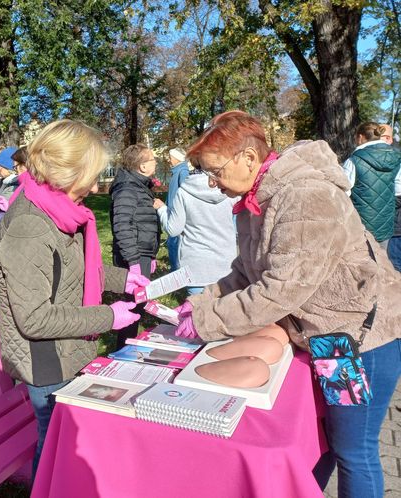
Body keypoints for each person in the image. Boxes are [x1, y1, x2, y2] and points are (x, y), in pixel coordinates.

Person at [173, 110, 400, 498]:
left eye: (216, 171)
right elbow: (246, 274)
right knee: (330, 439)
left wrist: (207, 321)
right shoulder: (257, 199)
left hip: (358, 343)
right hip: (333, 337)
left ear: (248, 158)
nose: (212, 182)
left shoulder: (304, 197)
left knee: (353, 450)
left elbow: (279, 291)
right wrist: (202, 302)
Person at [0, 119, 148, 481]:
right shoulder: (30, 226)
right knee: (55, 447)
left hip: (66, 349)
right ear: (66, 174)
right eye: (91, 176)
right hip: (45, 360)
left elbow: (76, 268)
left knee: (66, 443)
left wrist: (125, 279)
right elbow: (34, 319)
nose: (95, 187)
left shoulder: (58, 211)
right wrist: (108, 317)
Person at [154, 166, 237, 295]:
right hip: (226, 265)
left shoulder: (184, 192)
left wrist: (162, 210)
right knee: (223, 312)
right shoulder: (231, 191)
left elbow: (173, 229)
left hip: (196, 267)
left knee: (198, 312)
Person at [109, 144, 161, 349]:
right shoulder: (127, 189)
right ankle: (123, 349)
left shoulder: (139, 186)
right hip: (134, 256)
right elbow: (122, 226)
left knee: (138, 305)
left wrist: (152, 254)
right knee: (132, 305)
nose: (155, 161)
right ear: (142, 166)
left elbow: (144, 223)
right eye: (152, 159)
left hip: (142, 254)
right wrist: (134, 262)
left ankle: (128, 346)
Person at [342, 122, 401, 249]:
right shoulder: (396, 158)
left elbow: (343, 194)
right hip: (386, 226)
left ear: (361, 137)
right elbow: (397, 191)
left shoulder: (354, 160)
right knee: (383, 264)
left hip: (359, 227)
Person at [166, 148, 190, 271]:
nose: (169, 160)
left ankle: (176, 271)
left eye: (170, 157)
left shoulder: (183, 172)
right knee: (172, 243)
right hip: (173, 211)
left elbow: (186, 193)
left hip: (178, 214)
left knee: (174, 243)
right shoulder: (177, 171)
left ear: (177, 158)